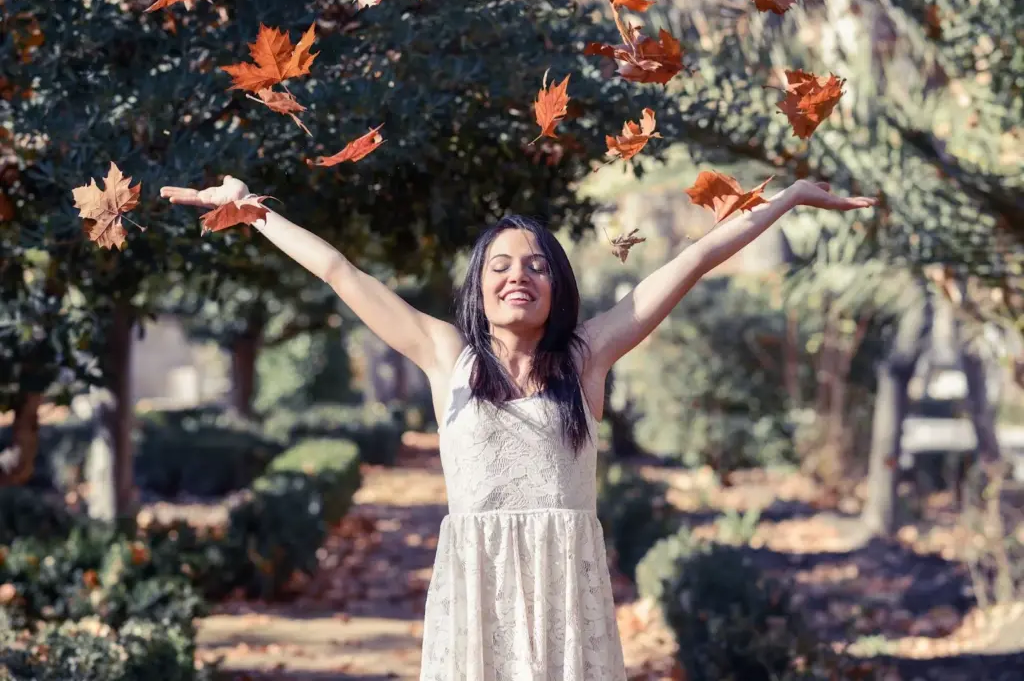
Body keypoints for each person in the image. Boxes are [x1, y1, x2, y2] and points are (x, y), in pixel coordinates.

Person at [160, 176, 876, 680]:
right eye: (499, 265)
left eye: (537, 266)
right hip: (478, 590)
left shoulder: (588, 356)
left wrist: (785, 200)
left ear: (558, 286)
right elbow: (341, 271)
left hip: (565, 594)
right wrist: (252, 211)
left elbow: (691, 260)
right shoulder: (447, 356)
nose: (518, 276)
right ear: (476, 286)